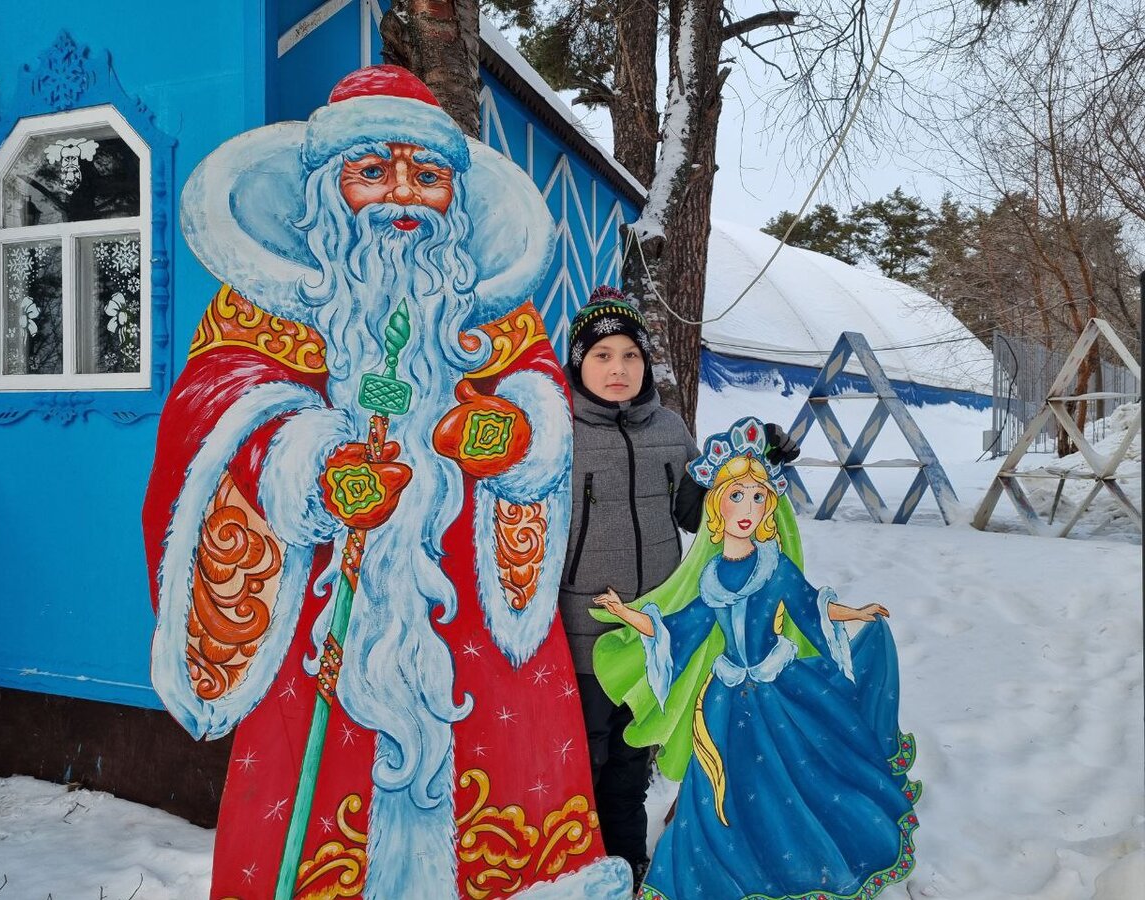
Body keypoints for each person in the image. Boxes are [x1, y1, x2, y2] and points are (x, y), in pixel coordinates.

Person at [143, 66, 631, 899]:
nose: (403, 195)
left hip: (470, 620)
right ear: (328, 189)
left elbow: (540, 398)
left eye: (428, 176)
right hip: (323, 618)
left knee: (509, 786)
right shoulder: (265, 307)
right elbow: (211, 407)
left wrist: (508, 432)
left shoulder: (490, 310)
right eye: (373, 171)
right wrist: (312, 463)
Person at [592, 416, 921, 900]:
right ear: (716, 509)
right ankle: (731, 869)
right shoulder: (708, 580)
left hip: (780, 690)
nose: (747, 507)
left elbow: (811, 607)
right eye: (736, 496)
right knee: (722, 792)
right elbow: (677, 630)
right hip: (724, 701)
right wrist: (626, 614)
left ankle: (798, 861)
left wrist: (856, 613)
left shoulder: (773, 565)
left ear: (770, 506)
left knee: (794, 779)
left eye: (758, 497)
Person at [558, 290, 797, 891]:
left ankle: (628, 865)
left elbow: (701, 511)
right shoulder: (554, 430)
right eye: (603, 355)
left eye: (631, 356)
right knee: (583, 757)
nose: (618, 369)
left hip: (655, 629)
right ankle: (574, 866)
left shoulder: (668, 429)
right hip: (579, 629)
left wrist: (754, 460)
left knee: (631, 760)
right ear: (578, 362)